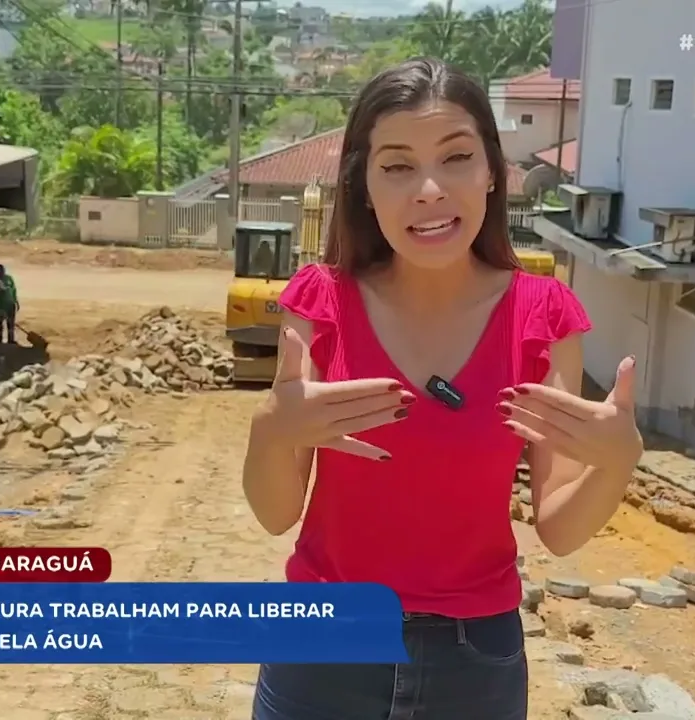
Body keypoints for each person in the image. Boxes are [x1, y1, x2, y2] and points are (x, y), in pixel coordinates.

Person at [242, 58, 643, 720]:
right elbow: (275, 513)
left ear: (492, 170)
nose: (429, 189)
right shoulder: (321, 305)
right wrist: (270, 428)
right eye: (397, 166)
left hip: (474, 664)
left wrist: (617, 459)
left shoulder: (544, 317)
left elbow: (561, 527)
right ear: (364, 186)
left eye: (456, 158)